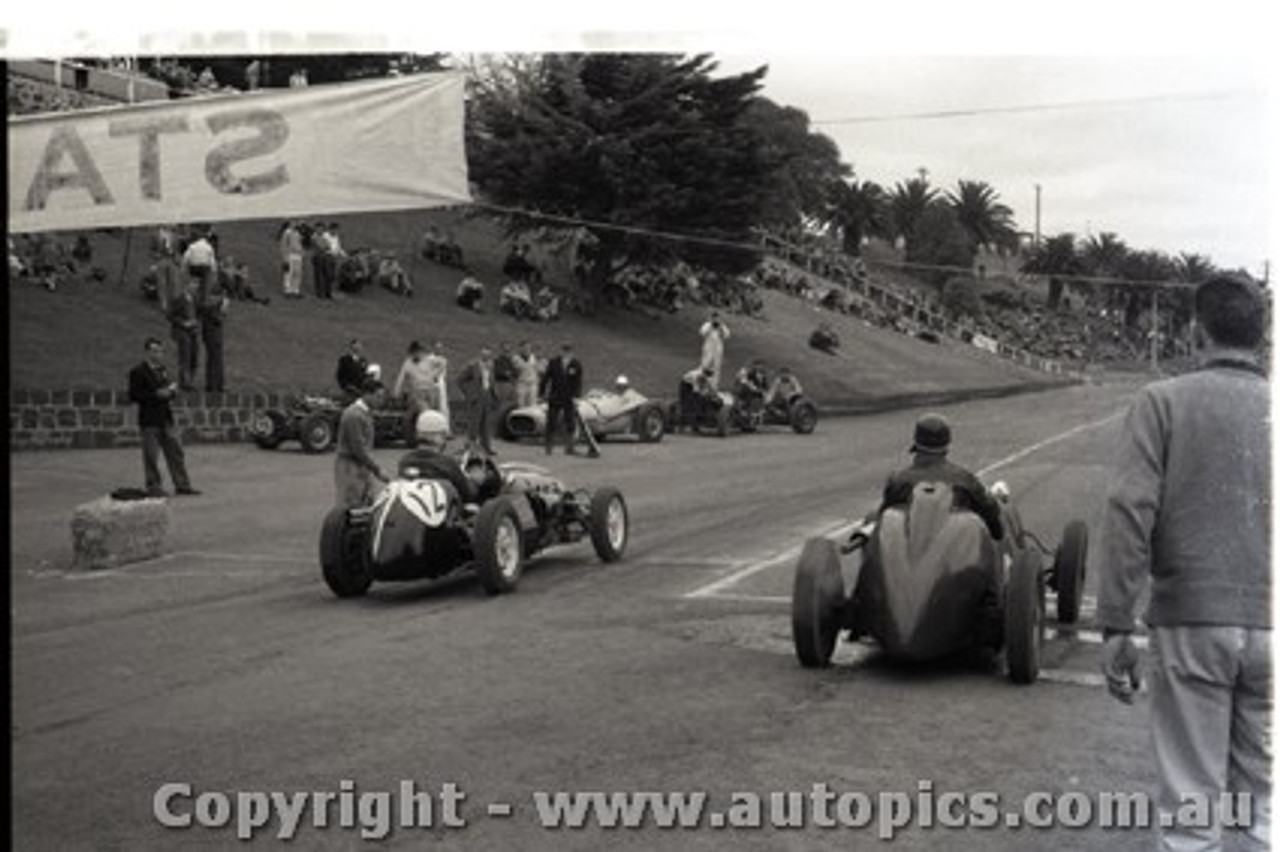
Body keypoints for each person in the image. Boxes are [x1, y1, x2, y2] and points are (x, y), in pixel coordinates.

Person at [1097, 274, 1270, 851]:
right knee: (1265, 809)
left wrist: (1117, 622)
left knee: (1191, 812)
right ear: (1263, 333)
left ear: (1197, 331)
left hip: (1193, 614)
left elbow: (1128, 511)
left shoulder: (1163, 401)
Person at [878, 413, 1003, 542]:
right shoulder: (965, 479)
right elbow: (994, 523)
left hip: (908, 556)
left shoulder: (898, 480)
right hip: (958, 556)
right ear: (946, 443)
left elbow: (883, 523)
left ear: (916, 442)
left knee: (872, 518)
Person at [127, 337, 199, 497]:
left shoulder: (162, 370)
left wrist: (172, 392)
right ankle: (154, 486)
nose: (158, 354)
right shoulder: (137, 372)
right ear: (147, 352)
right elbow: (134, 395)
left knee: (176, 452)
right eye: (154, 351)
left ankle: (182, 485)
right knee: (151, 455)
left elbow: (168, 392)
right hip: (149, 419)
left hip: (166, 418)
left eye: (160, 351)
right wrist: (156, 394)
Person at [398, 410, 479, 507]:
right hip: (441, 516)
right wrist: (474, 480)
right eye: (444, 436)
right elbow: (468, 494)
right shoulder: (447, 465)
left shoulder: (405, 461)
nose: (445, 441)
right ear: (438, 437)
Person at [334, 381, 389, 509]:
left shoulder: (365, 413)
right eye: (378, 396)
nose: (381, 401)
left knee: (367, 501)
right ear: (366, 395)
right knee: (351, 503)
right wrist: (377, 469)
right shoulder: (354, 415)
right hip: (350, 465)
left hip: (362, 464)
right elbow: (358, 448)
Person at [187, 227, 227, 393]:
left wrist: (222, 302)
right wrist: (218, 304)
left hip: (214, 318)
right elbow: (201, 301)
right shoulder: (201, 275)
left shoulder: (212, 276)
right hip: (209, 318)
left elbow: (218, 294)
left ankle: (217, 385)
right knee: (206, 352)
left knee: (216, 354)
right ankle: (210, 385)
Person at [540, 341, 589, 456]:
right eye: (564, 350)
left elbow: (578, 382)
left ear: (572, 352)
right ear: (561, 351)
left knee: (570, 422)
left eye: (568, 350)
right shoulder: (553, 363)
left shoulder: (576, 364)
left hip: (569, 397)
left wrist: (577, 396)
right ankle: (548, 447)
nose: (566, 353)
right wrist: (541, 393)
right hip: (555, 396)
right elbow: (546, 378)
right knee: (551, 421)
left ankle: (569, 447)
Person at [456, 346, 500, 455]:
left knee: (486, 423)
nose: (486, 357)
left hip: (487, 395)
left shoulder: (490, 366)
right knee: (474, 423)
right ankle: (470, 447)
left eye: (488, 355)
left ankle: (486, 446)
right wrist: (469, 393)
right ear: (480, 354)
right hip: (476, 396)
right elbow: (459, 379)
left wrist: (494, 395)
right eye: (484, 354)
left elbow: (491, 381)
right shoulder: (472, 366)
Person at [168, 279, 200, 391]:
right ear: (187, 285)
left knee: (194, 355)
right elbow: (170, 315)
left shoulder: (195, 299)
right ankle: (184, 382)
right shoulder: (179, 299)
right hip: (181, 331)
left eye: (197, 284)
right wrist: (183, 323)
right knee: (185, 356)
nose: (195, 287)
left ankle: (190, 381)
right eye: (193, 283)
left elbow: (197, 313)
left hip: (193, 331)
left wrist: (196, 322)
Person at [392, 341, 437, 420]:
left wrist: (436, 375)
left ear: (420, 352)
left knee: (431, 407)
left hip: (430, 391)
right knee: (424, 409)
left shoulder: (430, 360)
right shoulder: (408, 363)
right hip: (417, 392)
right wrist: (396, 393)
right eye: (412, 354)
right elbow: (401, 378)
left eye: (416, 353)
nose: (414, 356)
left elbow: (443, 363)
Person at [699, 310, 730, 388]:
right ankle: (701, 385)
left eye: (717, 318)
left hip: (718, 349)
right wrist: (711, 326)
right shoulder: (707, 325)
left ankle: (714, 386)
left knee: (716, 367)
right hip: (708, 348)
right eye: (714, 318)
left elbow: (727, 335)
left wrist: (720, 328)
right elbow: (702, 332)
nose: (716, 320)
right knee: (704, 366)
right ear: (711, 318)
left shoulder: (722, 326)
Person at [512, 341, 541, 409]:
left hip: (532, 383)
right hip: (522, 383)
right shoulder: (516, 358)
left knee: (532, 402)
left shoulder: (534, 357)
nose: (526, 349)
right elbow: (514, 372)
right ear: (520, 348)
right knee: (521, 403)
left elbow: (538, 370)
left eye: (528, 347)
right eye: (524, 347)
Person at [279, 220, 304, 299]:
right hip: (290, 255)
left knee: (297, 273)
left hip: (298, 255)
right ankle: (288, 290)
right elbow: (283, 245)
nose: (295, 224)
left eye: (295, 223)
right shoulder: (287, 233)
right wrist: (284, 257)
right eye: (293, 223)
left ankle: (296, 290)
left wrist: (301, 252)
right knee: (289, 273)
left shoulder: (297, 232)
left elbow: (300, 243)